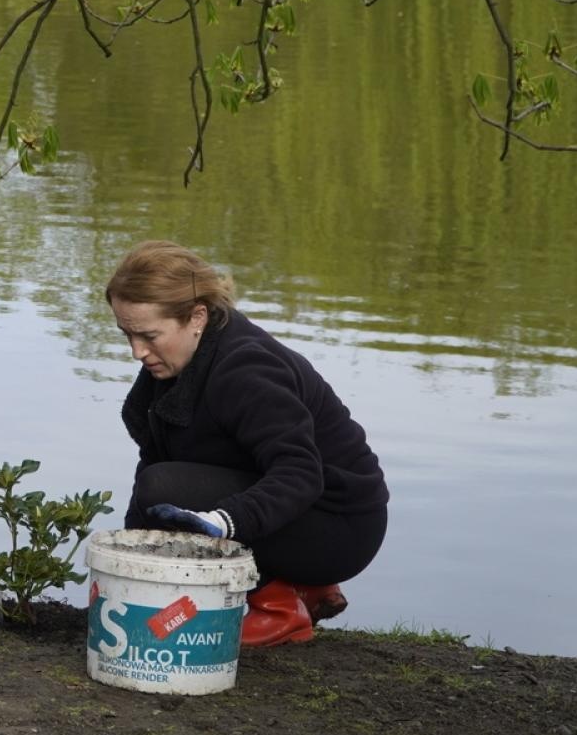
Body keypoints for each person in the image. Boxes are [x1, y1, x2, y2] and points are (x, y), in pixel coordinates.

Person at [105, 240, 388, 646]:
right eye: (126, 333)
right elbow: (159, 464)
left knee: (164, 487)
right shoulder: (176, 362)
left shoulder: (245, 369)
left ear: (197, 316)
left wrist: (224, 523)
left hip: (341, 524)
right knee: (162, 485)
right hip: (299, 511)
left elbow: (301, 473)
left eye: (148, 335)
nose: (136, 351)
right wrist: (134, 564)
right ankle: (302, 588)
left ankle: (281, 608)